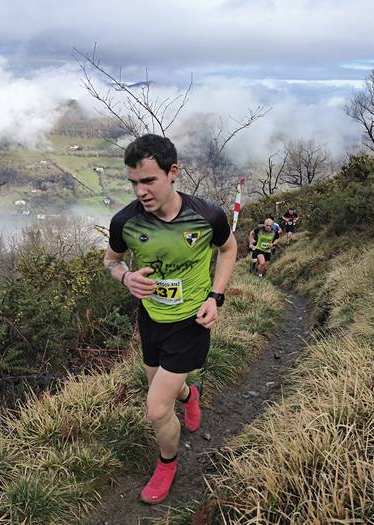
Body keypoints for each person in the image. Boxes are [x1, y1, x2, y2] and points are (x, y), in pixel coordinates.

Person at [104, 134, 237, 504]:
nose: (140, 190)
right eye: (133, 182)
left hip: (191, 322)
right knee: (163, 389)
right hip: (151, 320)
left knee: (156, 407)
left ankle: (167, 463)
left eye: (148, 180)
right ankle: (190, 393)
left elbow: (228, 249)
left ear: (173, 172)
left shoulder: (207, 215)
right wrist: (126, 277)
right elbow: (111, 261)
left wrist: (216, 297)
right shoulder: (125, 223)